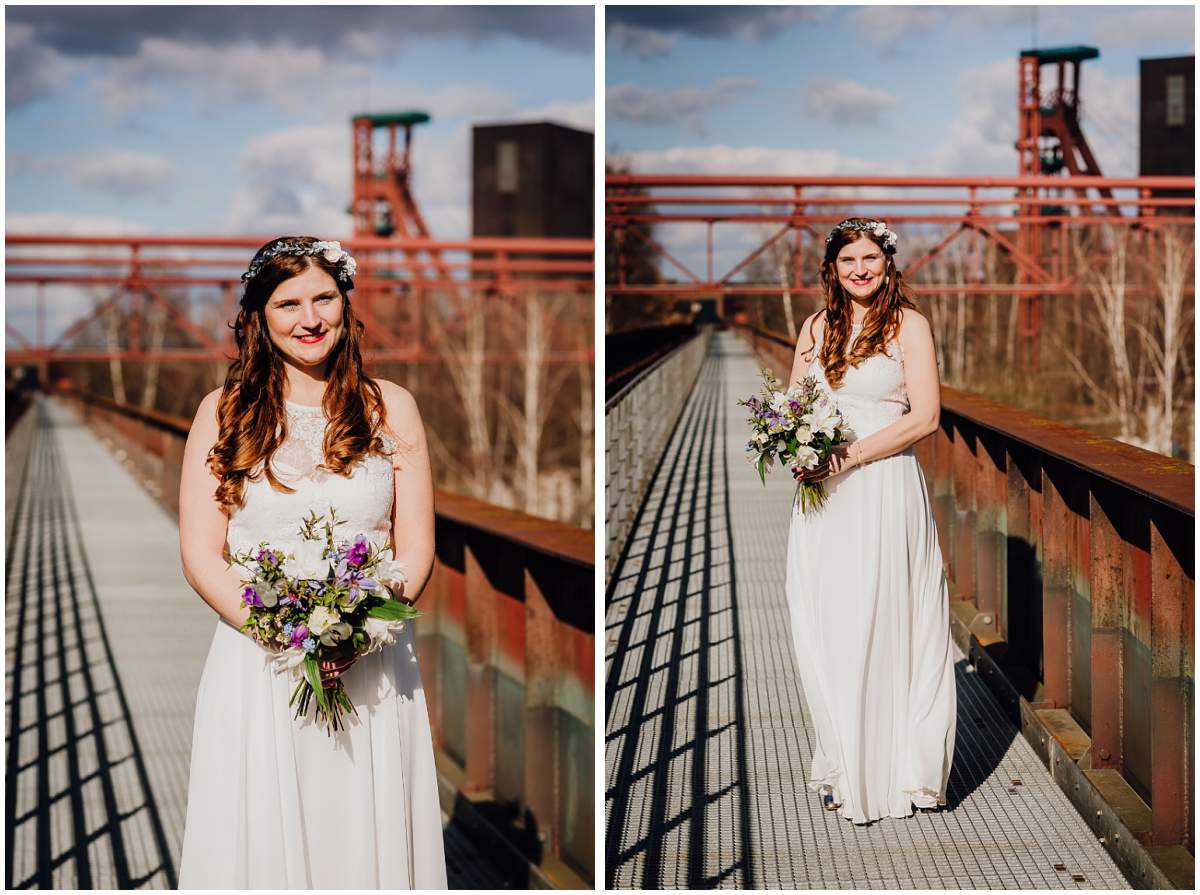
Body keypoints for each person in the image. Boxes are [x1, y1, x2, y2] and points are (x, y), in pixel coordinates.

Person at [176, 236, 448, 887]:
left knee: (363, 831)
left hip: (373, 664)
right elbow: (199, 553)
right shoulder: (222, 413)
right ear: (259, 318)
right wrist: (291, 633)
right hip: (258, 665)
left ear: (345, 303)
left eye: (324, 297)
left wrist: (357, 627)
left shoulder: (392, 406)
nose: (310, 317)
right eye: (288, 302)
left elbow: (415, 546)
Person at [784, 218, 956, 825]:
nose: (860, 269)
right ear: (832, 268)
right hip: (826, 503)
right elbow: (793, 405)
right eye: (848, 260)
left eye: (871, 259)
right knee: (827, 623)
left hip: (882, 489)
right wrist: (797, 451)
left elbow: (926, 417)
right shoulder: (814, 327)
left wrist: (849, 456)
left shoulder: (911, 327)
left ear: (888, 265)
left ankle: (895, 773)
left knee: (885, 620)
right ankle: (841, 760)